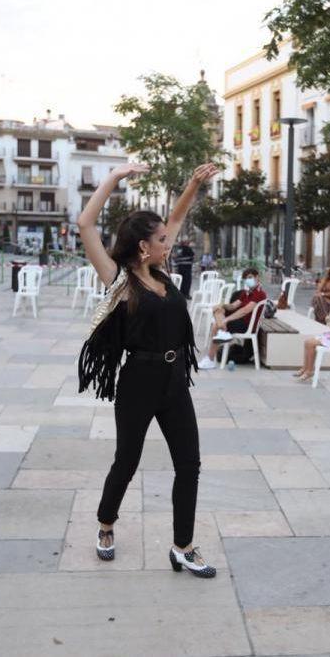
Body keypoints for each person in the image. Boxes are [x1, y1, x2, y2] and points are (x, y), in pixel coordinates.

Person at [77, 161, 221, 577]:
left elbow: (176, 216)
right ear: (143, 246)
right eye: (161, 239)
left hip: (175, 380)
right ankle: (106, 524)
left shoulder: (161, 272)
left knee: (189, 464)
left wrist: (193, 183)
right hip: (138, 381)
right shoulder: (119, 280)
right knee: (127, 460)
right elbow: (86, 224)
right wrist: (114, 178)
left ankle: (183, 546)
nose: (169, 242)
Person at [198, 268, 268, 369]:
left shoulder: (260, 294)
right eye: (246, 279)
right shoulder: (246, 292)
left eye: (250, 277)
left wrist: (226, 319)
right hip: (238, 321)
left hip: (246, 325)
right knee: (216, 309)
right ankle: (223, 331)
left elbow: (244, 310)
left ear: (257, 277)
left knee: (216, 326)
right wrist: (223, 305)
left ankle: (210, 359)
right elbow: (233, 306)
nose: (248, 280)